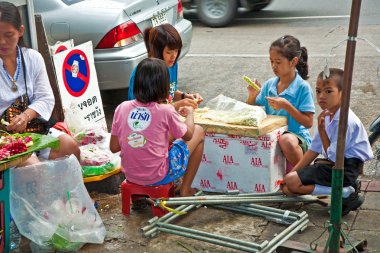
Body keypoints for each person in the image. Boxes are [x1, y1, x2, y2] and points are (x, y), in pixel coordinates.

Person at [282, 68, 373, 215]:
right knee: (288, 188)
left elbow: (333, 156)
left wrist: (322, 130)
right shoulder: (329, 113)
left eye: (328, 91)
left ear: (343, 94)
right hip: (334, 163)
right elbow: (314, 149)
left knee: (293, 183)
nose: (321, 96)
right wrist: (293, 172)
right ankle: (343, 189)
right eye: (318, 91)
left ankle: (345, 192)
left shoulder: (344, 121)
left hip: (345, 168)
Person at [110, 58, 205, 197]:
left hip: (130, 174)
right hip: (158, 175)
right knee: (199, 131)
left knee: (164, 139)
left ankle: (140, 196)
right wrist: (190, 113)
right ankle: (185, 190)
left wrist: (136, 138)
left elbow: (114, 147)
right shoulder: (165, 111)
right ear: (163, 86)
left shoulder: (122, 107)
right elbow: (189, 135)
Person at [0, 1, 80, 164]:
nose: (2, 42)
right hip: (4, 137)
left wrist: (25, 116)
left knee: (69, 147)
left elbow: (45, 97)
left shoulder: (32, 58)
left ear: (20, 31)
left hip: (35, 128)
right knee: (31, 165)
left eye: (8, 35)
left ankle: (63, 190)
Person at [246, 35, 315, 170]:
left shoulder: (302, 87)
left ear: (293, 61)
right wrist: (252, 97)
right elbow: (253, 111)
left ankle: (303, 173)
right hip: (271, 136)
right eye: (271, 61)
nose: (273, 66)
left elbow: (308, 122)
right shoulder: (269, 85)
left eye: (278, 62)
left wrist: (286, 106)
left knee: (286, 140)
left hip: (296, 139)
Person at [128, 23, 202, 110]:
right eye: (169, 52)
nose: (174, 56)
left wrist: (185, 96)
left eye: (176, 51)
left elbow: (171, 92)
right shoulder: (145, 72)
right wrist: (176, 105)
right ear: (157, 51)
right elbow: (145, 110)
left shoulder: (172, 64)